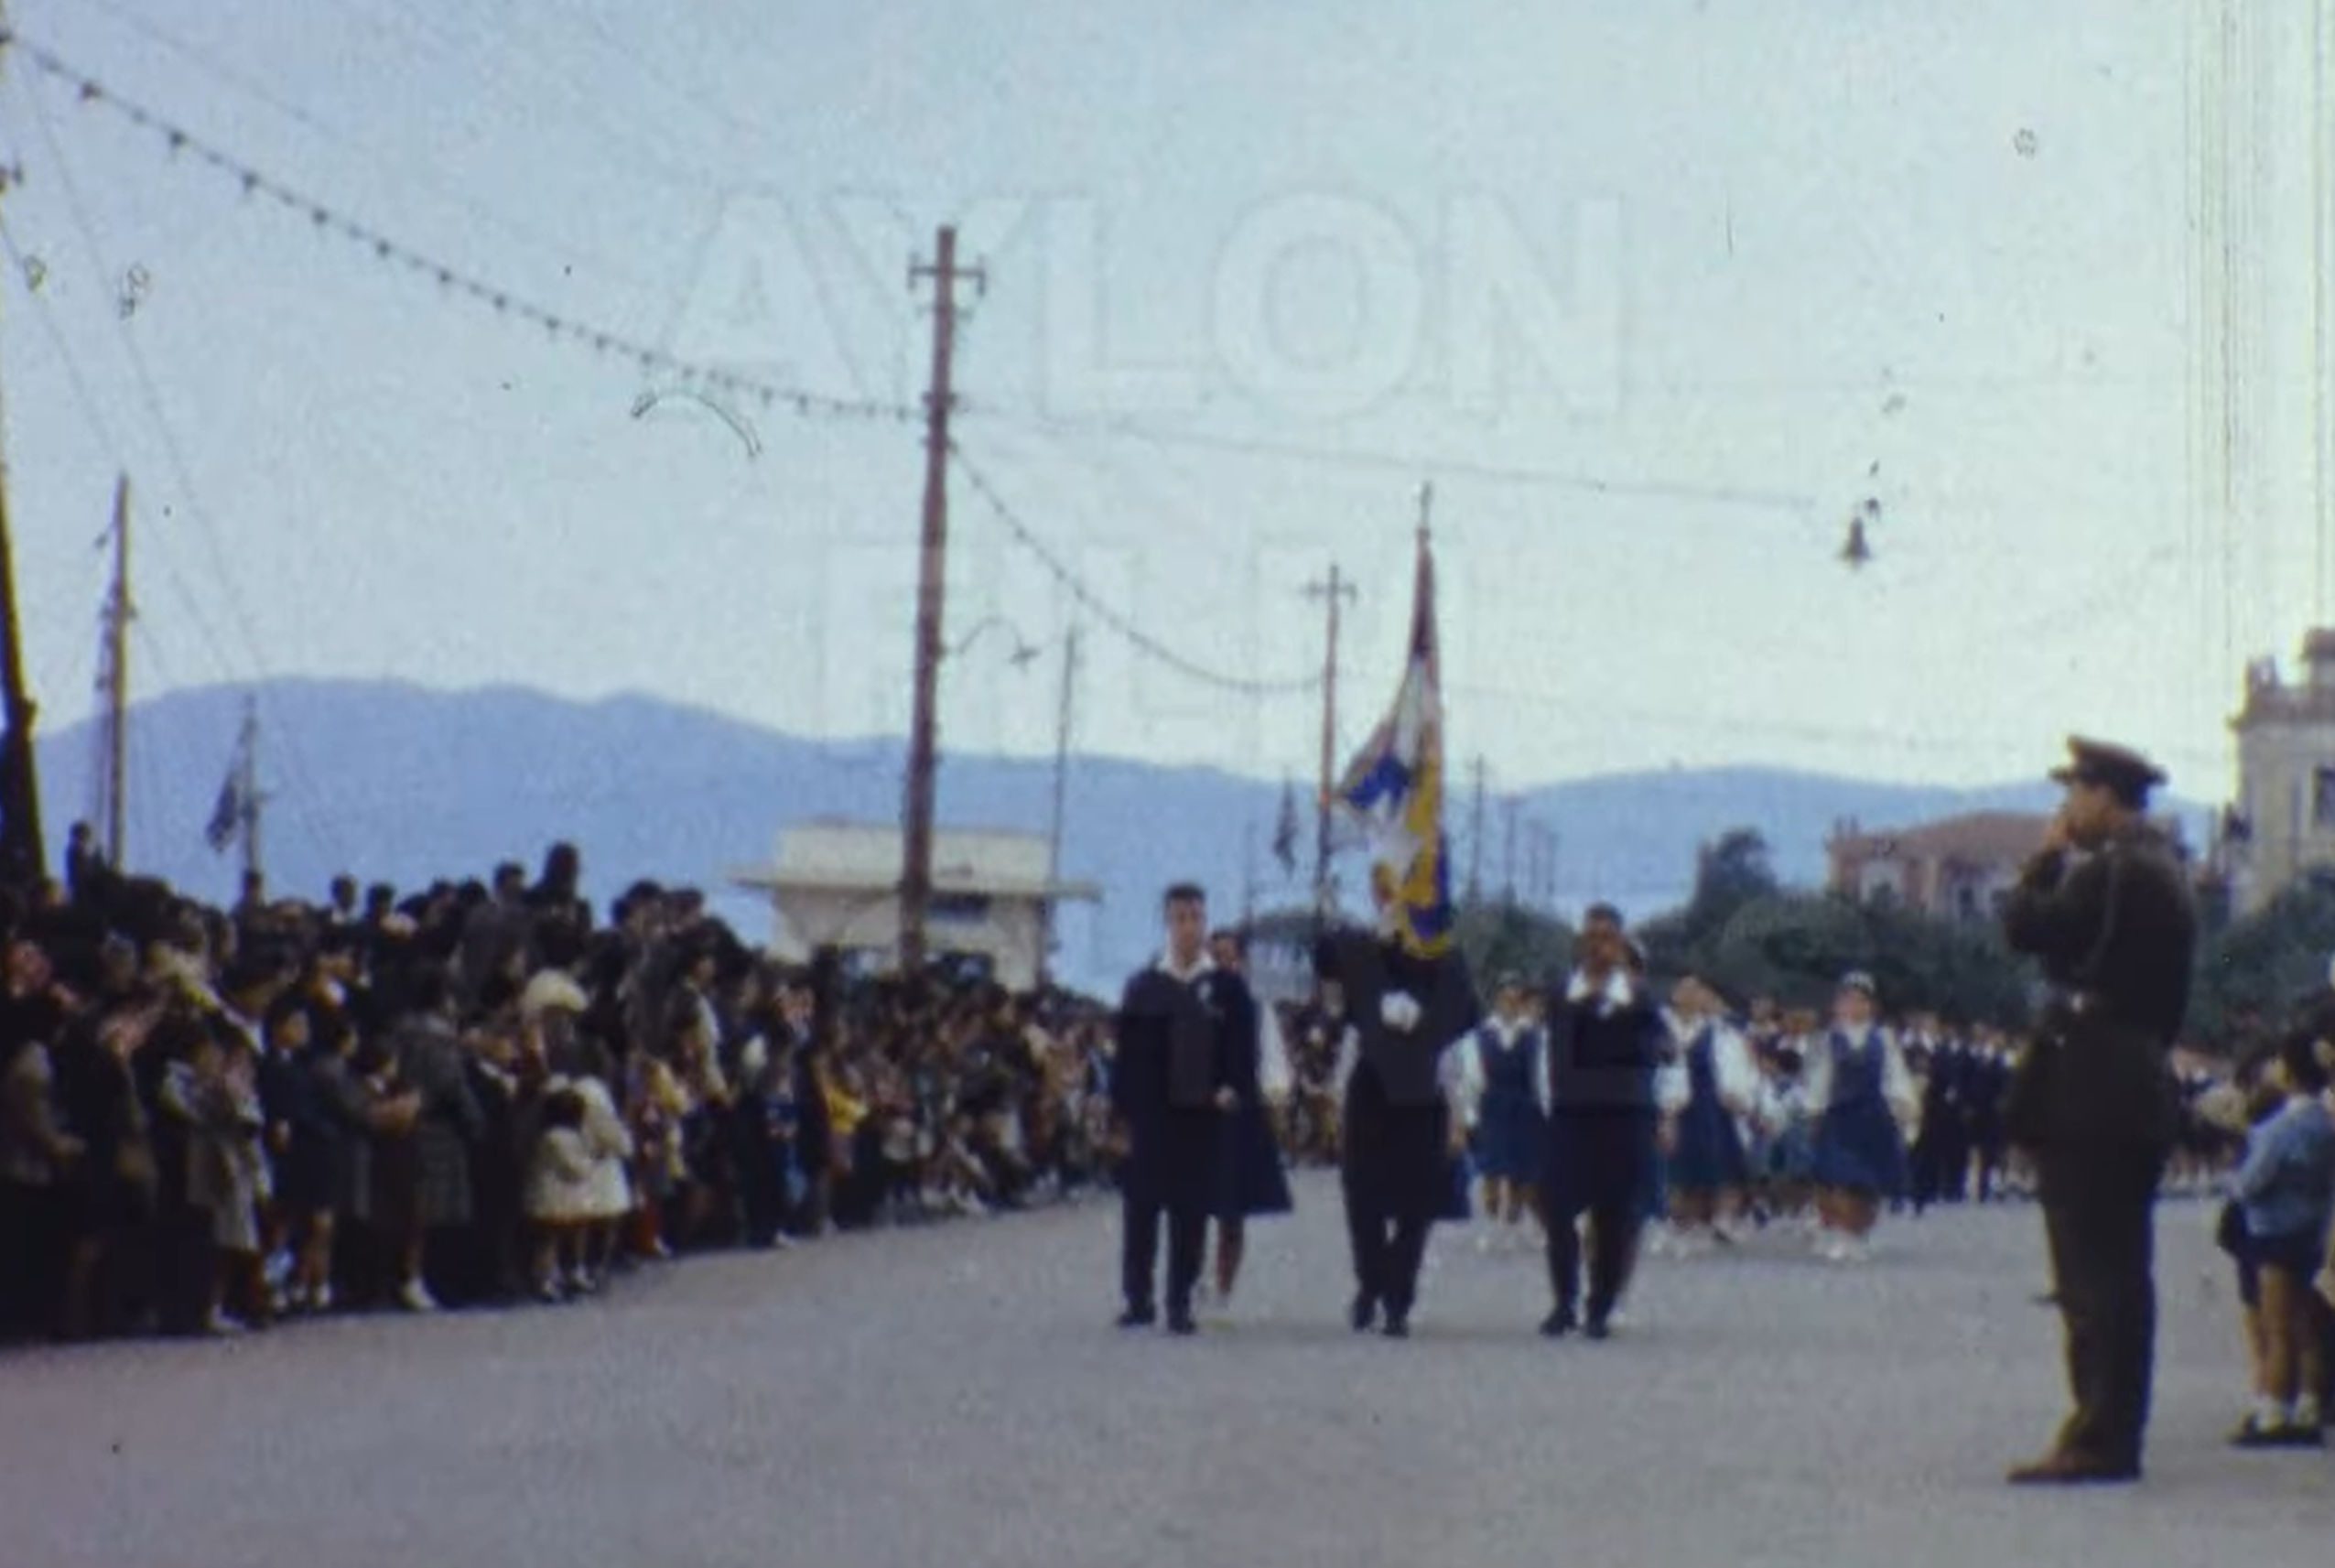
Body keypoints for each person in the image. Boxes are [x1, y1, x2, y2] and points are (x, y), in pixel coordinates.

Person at [1999, 736, 2199, 1486]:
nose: (2064, 810)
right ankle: (2109, 1429)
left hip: (2093, 1084)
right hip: (2134, 1073)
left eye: (2073, 795)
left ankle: (2097, 1434)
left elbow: (2025, 927)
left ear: (2104, 795)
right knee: (2118, 1270)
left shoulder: (2114, 871)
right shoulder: (2163, 870)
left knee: (2092, 1274)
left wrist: (2041, 860)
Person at [1315, 874, 1480, 1339]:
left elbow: (1455, 1041)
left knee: (1417, 1203)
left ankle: (1398, 1298)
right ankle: (1371, 1283)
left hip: (1423, 1092)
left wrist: (1458, 1114)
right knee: (1362, 1198)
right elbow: (1340, 1000)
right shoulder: (1366, 952)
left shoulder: (1446, 961)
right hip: (1371, 1087)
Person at [1111, 884, 1246, 1336]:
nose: (1188, 927)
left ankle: (1180, 1300)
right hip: (1152, 1115)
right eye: (1179, 918)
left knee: (1191, 1212)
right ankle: (1138, 1298)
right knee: (1142, 1209)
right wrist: (1120, 1113)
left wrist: (1230, 1088)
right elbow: (1126, 1055)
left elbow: (1241, 1052)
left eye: (1195, 917)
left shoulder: (1225, 989)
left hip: (1201, 1113)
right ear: (1167, 923)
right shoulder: (1145, 986)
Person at [1537, 904, 1659, 1340]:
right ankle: (1563, 1300)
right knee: (1556, 1210)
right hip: (1570, 1112)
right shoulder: (1561, 994)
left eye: (1607, 938)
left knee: (1614, 1214)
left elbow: (1650, 1057)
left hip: (1622, 1113)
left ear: (1621, 944)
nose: (1598, 947)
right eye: (1591, 938)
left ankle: (1600, 1305)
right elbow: (1549, 1054)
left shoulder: (1640, 998)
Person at [2223, 1033, 2335, 1446]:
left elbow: (2253, 1182)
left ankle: (2272, 1408)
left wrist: (2235, 1185)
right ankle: (2308, 1398)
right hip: (2310, 1228)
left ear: (2287, 1072)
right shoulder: (2324, 1124)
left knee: (2276, 1324)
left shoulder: (2279, 1128)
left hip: (2272, 1230)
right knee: (2304, 1322)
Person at [1201, 928, 1291, 1309]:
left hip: (1240, 1114)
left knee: (1231, 1210)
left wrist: (1275, 1109)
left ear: (1241, 961)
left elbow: (1272, 1063)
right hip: (1197, 1114)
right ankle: (1190, 1278)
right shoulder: (1195, 1000)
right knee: (1190, 1206)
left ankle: (1222, 1285)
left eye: (1228, 957)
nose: (1223, 964)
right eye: (1216, 956)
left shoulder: (1256, 1008)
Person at [1806, 972, 1916, 1263]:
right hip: (1839, 1116)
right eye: (1848, 999)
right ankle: (1842, 1233)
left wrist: (1904, 1103)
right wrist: (1814, 1110)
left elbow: (1895, 1075)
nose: (1853, 1006)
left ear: (1871, 1006)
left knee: (1868, 1183)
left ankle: (1860, 1232)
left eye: (1861, 1000)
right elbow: (1820, 1076)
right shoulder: (1829, 1039)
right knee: (1840, 1178)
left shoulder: (1884, 1038)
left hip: (1874, 1116)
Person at [1655, 974, 1757, 1254]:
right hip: (1670, 1103)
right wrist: (1667, 1109)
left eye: (1698, 990)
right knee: (1673, 1167)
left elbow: (1740, 1066)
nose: (1691, 995)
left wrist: (1741, 1098)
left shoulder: (1721, 1031)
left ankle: (1714, 1220)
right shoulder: (1659, 1026)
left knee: (1715, 1165)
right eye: (1685, 988)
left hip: (1711, 1104)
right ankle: (1675, 1222)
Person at [1455, 973, 1547, 1252]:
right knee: (1493, 1174)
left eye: (1515, 999)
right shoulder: (1480, 1036)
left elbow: (1542, 1077)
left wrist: (1548, 1111)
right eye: (1505, 998)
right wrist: (1468, 1114)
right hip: (1493, 1108)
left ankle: (1513, 1228)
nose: (1510, 1004)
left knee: (1523, 1177)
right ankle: (1494, 1224)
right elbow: (1470, 1078)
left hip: (1525, 1109)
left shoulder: (1533, 1036)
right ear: (1496, 1000)